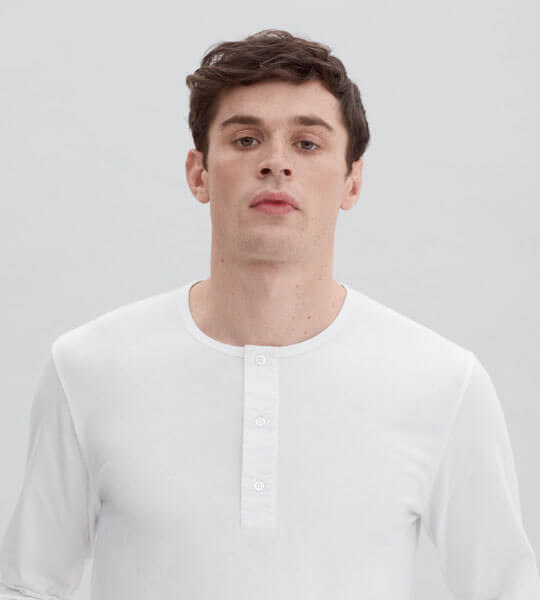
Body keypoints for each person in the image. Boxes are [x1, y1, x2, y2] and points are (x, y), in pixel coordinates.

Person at [0, 28, 538, 600]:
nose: (276, 163)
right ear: (199, 174)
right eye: (246, 139)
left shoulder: (441, 381)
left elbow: (505, 589)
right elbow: (28, 586)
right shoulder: (89, 368)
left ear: (352, 181)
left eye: (306, 143)